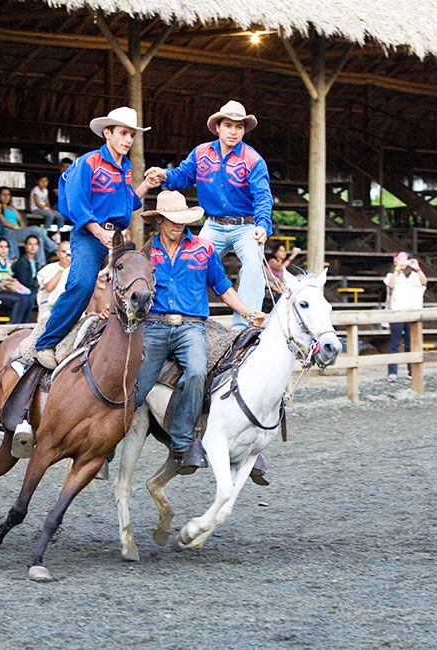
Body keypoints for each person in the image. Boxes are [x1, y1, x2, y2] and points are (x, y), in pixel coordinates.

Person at [134, 190, 266, 472]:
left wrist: (245, 311)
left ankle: (182, 442)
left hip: (191, 326)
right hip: (155, 324)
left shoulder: (203, 248)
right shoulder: (147, 252)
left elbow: (222, 287)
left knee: (196, 371)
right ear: (160, 220)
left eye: (182, 219)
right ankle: (103, 446)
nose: (178, 225)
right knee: (137, 384)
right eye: (172, 220)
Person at [33, 106, 154, 368]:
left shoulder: (126, 167)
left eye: (131, 135)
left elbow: (127, 203)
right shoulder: (88, 162)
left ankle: (139, 342)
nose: (127, 140)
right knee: (82, 284)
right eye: (123, 133)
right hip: (89, 234)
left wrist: (146, 186)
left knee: (140, 277)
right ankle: (46, 343)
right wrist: (99, 232)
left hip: (116, 235)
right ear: (107, 133)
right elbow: (76, 203)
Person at [145, 100, 274, 330]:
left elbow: (263, 197)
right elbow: (183, 175)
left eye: (239, 127)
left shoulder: (253, 160)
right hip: (213, 224)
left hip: (245, 224)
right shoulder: (201, 153)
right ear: (218, 127)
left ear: (244, 130)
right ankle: (183, 316)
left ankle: (244, 326)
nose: (234, 131)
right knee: (188, 256)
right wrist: (164, 174)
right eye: (228, 125)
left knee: (254, 263)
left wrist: (263, 225)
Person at [384, 251, 427, 382]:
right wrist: (397, 271)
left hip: (413, 312)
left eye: (405, 260)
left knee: (411, 343)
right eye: (399, 260)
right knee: (394, 343)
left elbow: (424, 282)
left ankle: (412, 371)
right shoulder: (391, 275)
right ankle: (392, 372)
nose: (402, 262)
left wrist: (417, 268)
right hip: (397, 312)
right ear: (395, 262)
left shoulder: (414, 275)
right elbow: (391, 285)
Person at [0, 186, 56, 266]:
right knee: (36, 229)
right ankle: (54, 248)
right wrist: (17, 228)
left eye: (8, 195)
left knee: (39, 239)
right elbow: (4, 222)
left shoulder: (12, 208)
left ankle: (41, 264)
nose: (6, 197)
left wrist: (23, 229)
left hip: (18, 232)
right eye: (3, 195)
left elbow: (20, 220)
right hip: (9, 233)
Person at [0, 238, 34, 324]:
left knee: (29, 298)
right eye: (1, 247)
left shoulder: (8, 262)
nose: (4, 249)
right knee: (21, 299)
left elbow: (9, 277)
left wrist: (11, 281)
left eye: (6, 247)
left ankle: (24, 325)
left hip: (6, 290)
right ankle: (13, 326)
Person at [35, 240, 71, 324]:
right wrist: (62, 268)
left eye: (69, 251)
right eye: (63, 251)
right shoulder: (48, 268)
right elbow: (49, 288)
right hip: (48, 311)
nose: (67, 254)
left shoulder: (77, 269)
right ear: (58, 253)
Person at [264, 242, 301, 309]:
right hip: (273, 291)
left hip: (281, 290)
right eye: (281, 251)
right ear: (275, 253)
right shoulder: (272, 261)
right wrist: (292, 256)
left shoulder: (282, 263)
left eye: (284, 251)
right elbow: (280, 267)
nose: (284, 252)